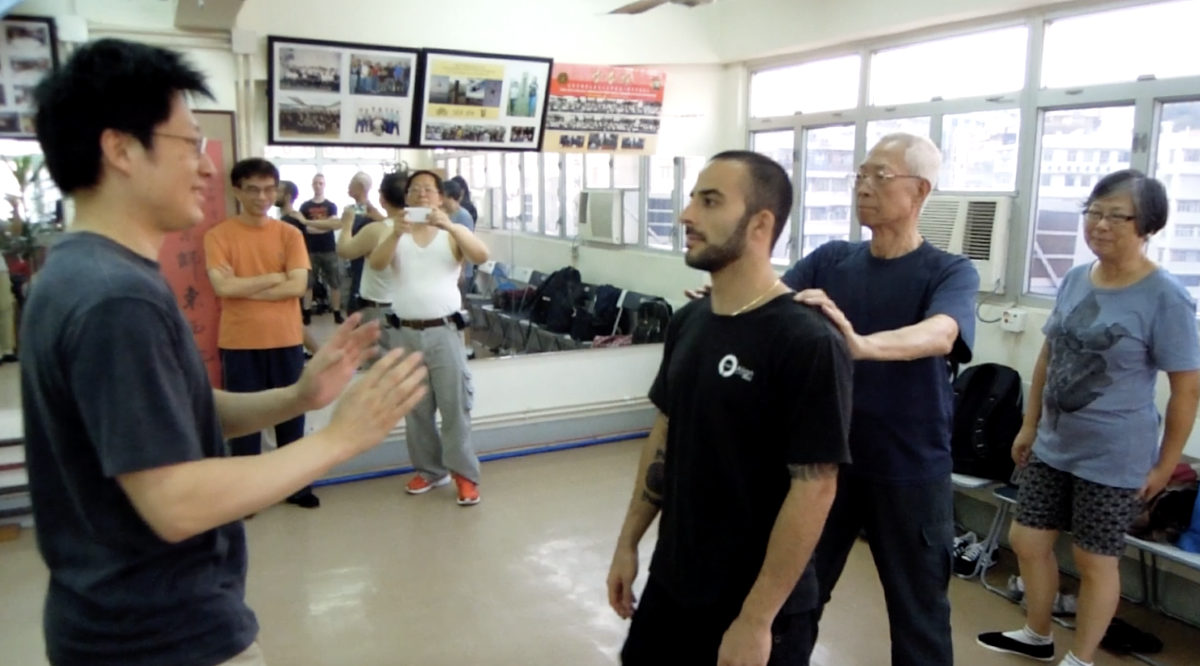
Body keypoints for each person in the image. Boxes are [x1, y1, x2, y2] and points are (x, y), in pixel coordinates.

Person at [22, 38, 428, 666]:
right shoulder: (114, 297)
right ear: (121, 149)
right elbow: (175, 502)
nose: (208, 168)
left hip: (125, 622)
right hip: (157, 638)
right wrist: (339, 439)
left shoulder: (88, 272)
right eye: (189, 144)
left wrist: (297, 397)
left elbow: (181, 409)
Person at [685, 134, 978, 666]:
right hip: (826, 465)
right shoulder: (833, 259)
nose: (863, 187)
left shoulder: (949, 271)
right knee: (797, 600)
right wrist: (727, 295)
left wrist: (862, 345)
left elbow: (941, 333)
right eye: (860, 175)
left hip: (909, 469)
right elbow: (771, 298)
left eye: (880, 176)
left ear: (920, 191)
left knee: (920, 614)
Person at [609, 151, 852, 666]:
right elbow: (665, 434)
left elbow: (815, 487)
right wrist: (629, 542)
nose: (686, 215)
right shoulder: (689, 321)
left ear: (760, 224)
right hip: (673, 586)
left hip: (756, 607)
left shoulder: (807, 340)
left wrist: (757, 619)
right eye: (692, 198)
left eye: (710, 201)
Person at [978, 171, 1200, 666]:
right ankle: (1037, 634)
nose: (1099, 225)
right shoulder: (1077, 278)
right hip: (1054, 442)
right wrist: (1030, 423)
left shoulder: (1165, 296)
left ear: (1148, 225)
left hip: (1115, 453)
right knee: (1026, 539)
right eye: (1093, 213)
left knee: (1094, 559)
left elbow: (1187, 390)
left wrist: (1164, 466)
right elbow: (1049, 355)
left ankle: (1080, 659)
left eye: (1115, 216)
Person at [204, 159, 321, 509]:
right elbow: (222, 287)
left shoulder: (290, 234)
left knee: (292, 414)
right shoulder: (219, 236)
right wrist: (273, 277)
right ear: (237, 191)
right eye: (253, 190)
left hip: (286, 339)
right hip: (239, 342)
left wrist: (243, 287)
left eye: (269, 189)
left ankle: (296, 487)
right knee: (244, 422)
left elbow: (297, 285)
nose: (262, 197)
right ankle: (247, 495)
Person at [370, 170, 490, 505]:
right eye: (415, 189)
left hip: (445, 331)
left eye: (429, 189)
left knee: (454, 408)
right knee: (416, 409)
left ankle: (464, 475)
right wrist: (395, 233)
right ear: (406, 196)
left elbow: (481, 256)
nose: (422, 194)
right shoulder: (395, 232)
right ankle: (430, 471)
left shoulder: (453, 232)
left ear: (439, 196)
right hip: (404, 332)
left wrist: (450, 226)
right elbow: (377, 264)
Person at [336, 174, 403, 357]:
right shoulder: (419, 228)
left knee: (378, 363)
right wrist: (380, 217)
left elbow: (344, 250)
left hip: (380, 308)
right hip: (408, 307)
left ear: (382, 198)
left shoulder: (375, 230)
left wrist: (347, 223)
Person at [297, 173, 344, 325]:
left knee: (335, 283)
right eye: (315, 183)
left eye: (321, 183)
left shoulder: (331, 206)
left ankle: (337, 313)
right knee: (308, 284)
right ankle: (307, 313)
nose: (318, 186)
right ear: (312, 185)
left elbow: (332, 225)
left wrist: (313, 225)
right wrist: (324, 226)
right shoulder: (305, 206)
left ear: (325, 185)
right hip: (310, 250)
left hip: (328, 249)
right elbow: (305, 228)